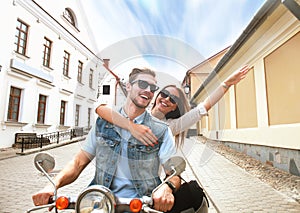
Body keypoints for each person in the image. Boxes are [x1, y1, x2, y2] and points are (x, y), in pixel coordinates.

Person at [32, 68, 202, 212]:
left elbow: (173, 173)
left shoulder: (162, 130)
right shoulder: (103, 123)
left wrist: (167, 188)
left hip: (144, 206)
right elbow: (78, 163)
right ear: (128, 86)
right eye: (142, 84)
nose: (148, 90)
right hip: (99, 204)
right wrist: (52, 185)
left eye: (152, 87)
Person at [95, 65, 250, 148]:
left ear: (174, 108)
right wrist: (131, 126)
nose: (167, 99)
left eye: (173, 99)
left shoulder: (171, 126)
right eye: (164, 94)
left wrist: (226, 84)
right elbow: (100, 108)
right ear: (157, 96)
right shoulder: (139, 110)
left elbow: (204, 107)